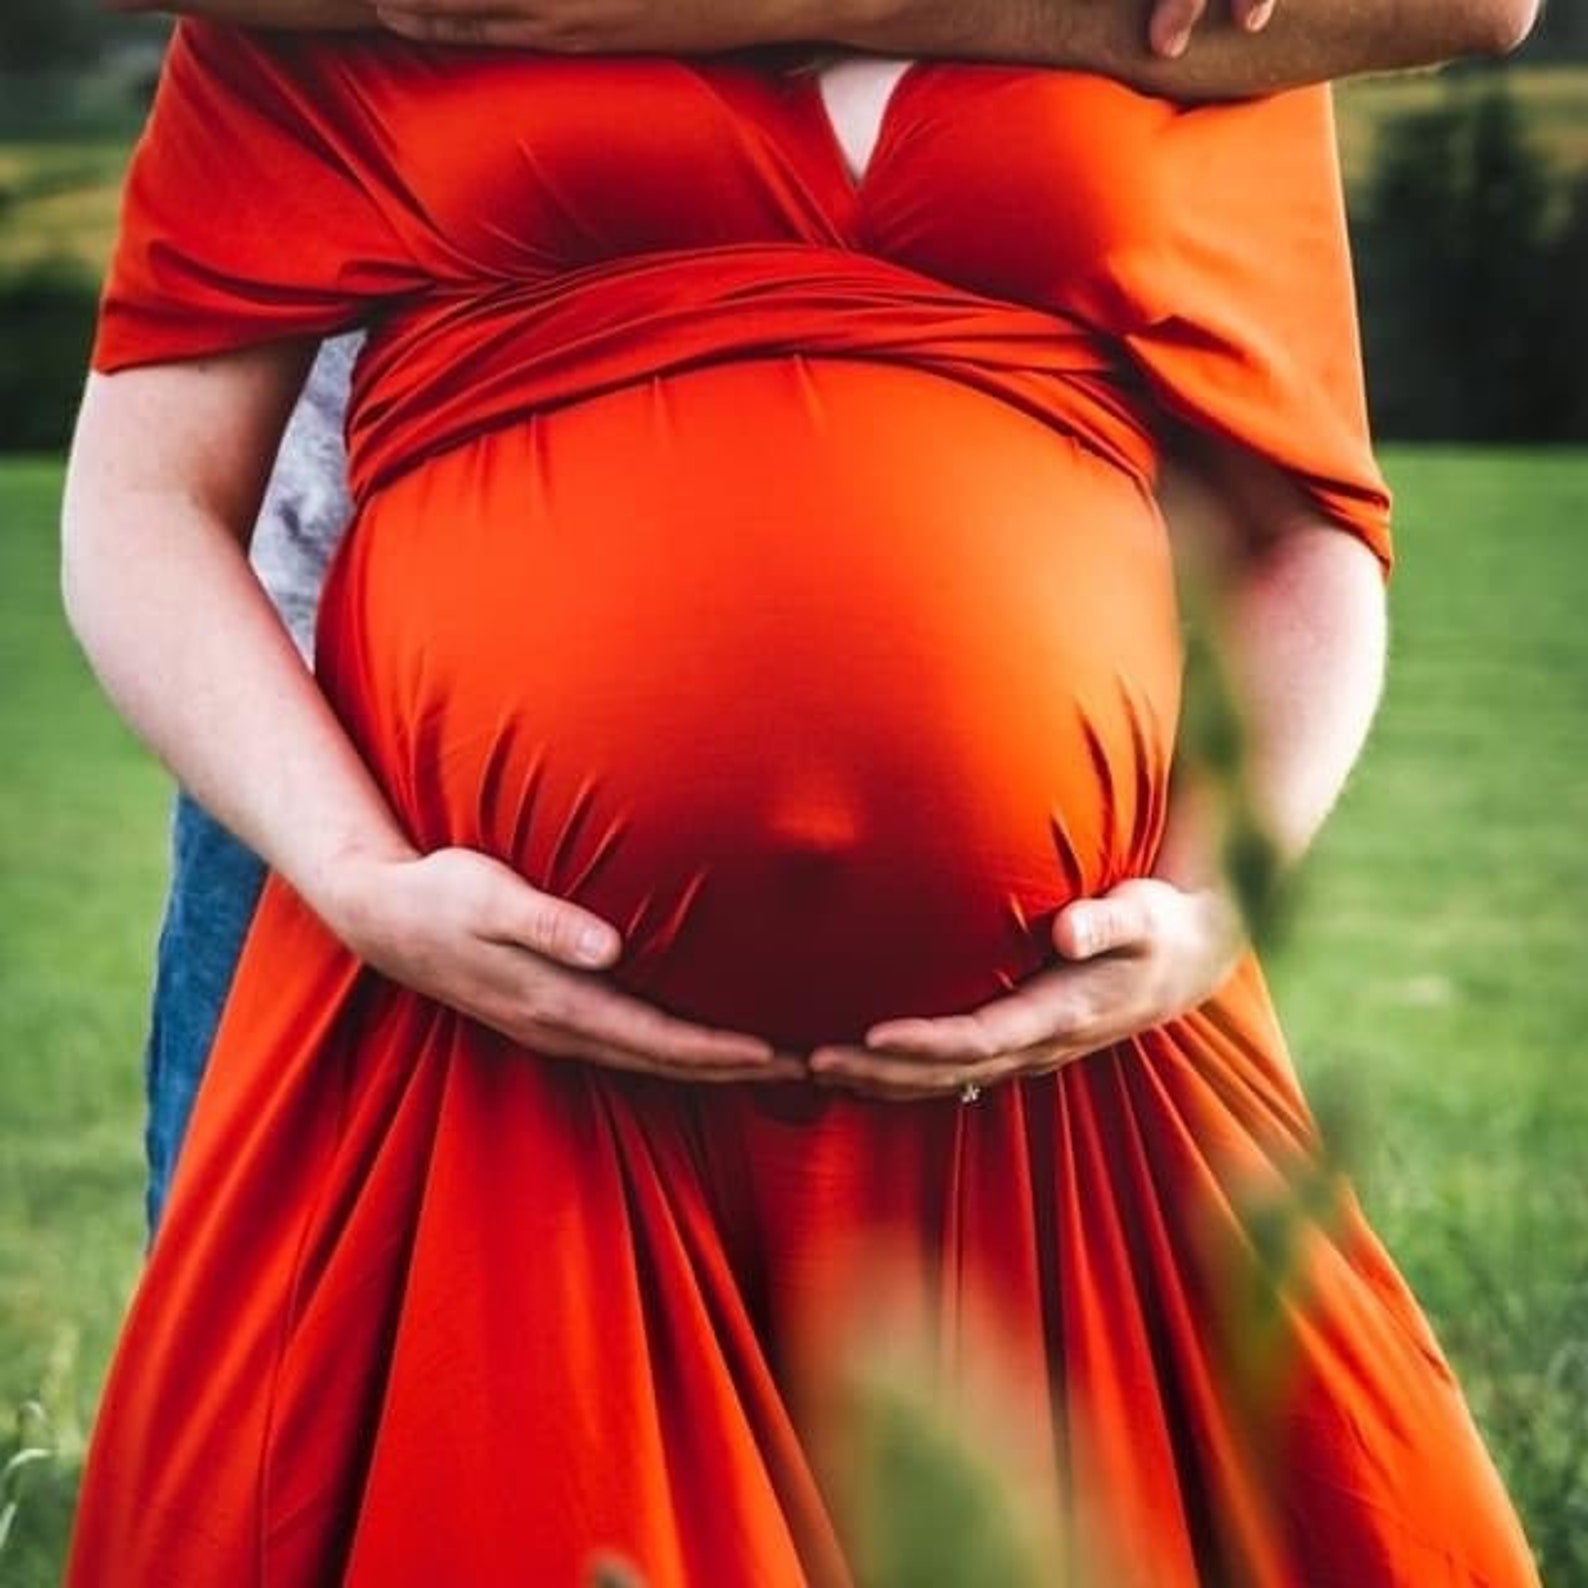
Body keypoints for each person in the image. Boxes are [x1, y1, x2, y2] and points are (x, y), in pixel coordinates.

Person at [64, 7, 1541, 1586]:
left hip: (1044, 1093)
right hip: (473, 1024)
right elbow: (146, 496)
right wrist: (355, 877)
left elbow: (1311, 527)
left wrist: (1210, 909)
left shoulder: (1190, 24)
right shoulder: (360, 12)